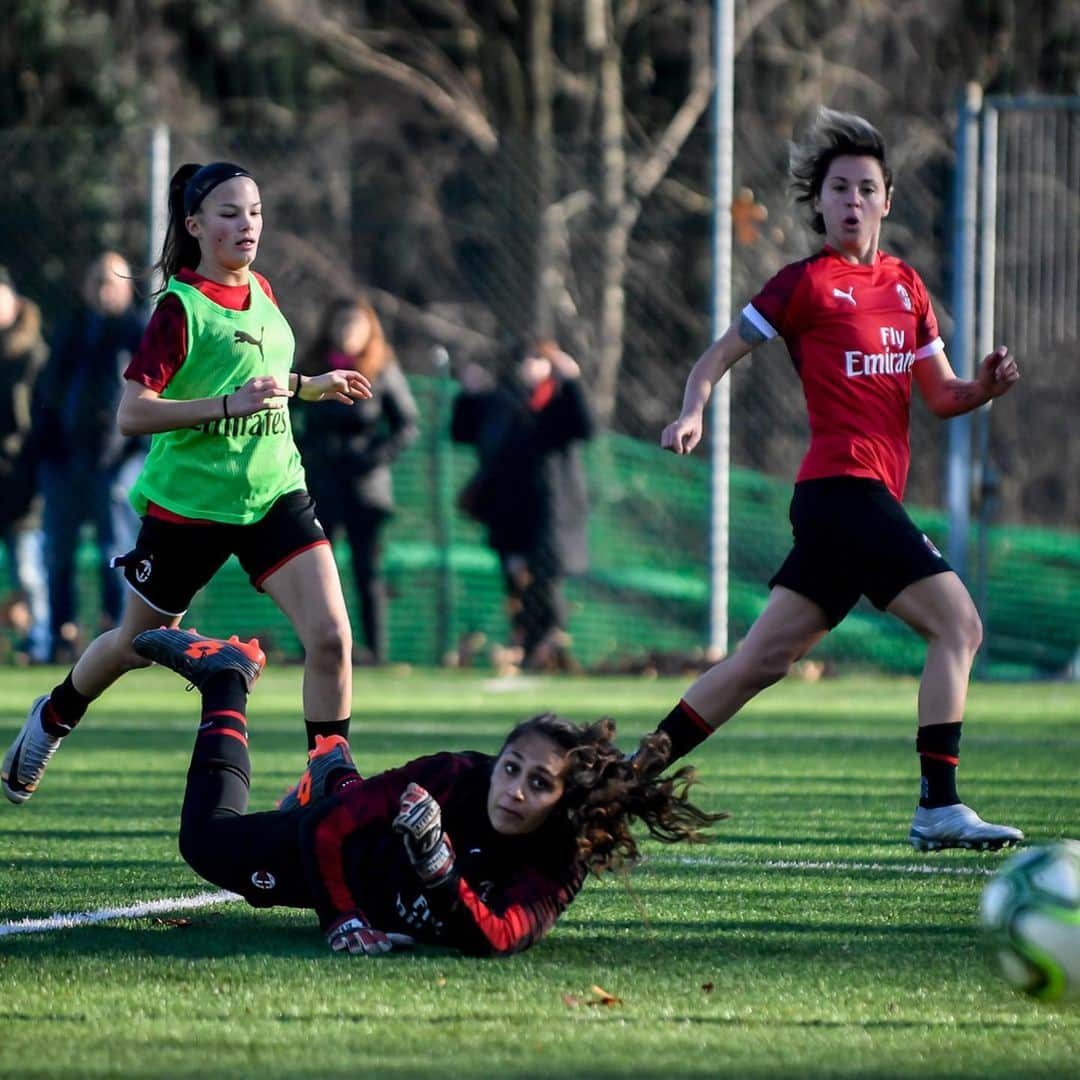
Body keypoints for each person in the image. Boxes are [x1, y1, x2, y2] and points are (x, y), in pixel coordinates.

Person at [655, 108, 1023, 853]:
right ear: (817, 204)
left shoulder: (907, 289)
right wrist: (691, 410)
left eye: (866, 188)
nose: (852, 200)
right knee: (960, 626)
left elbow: (942, 396)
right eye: (838, 189)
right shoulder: (804, 287)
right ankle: (938, 807)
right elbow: (717, 355)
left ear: (887, 201)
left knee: (760, 660)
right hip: (841, 489)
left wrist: (981, 387)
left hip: (853, 501)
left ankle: (632, 772)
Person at [1, 161, 372, 806]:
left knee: (333, 639)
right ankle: (53, 716)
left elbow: (263, 378)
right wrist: (228, 405)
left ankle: (330, 783)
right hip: (187, 509)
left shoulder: (263, 289)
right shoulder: (181, 307)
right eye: (229, 213)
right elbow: (134, 412)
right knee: (133, 646)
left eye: (254, 211)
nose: (247, 224)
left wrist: (309, 386)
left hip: (273, 494)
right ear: (196, 225)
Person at [129, 625, 725, 957]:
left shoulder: (560, 860)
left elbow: (501, 937)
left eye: (539, 783)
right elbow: (326, 829)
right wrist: (343, 920)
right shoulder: (456, 776)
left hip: (388, 873)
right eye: (512, 768)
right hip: (345, 855)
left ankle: (334, 769)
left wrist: (439, 866)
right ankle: (228, 678)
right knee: (204, 843)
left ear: (563, 800)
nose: (513, 790)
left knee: (348, 806)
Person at [451, 338, 593, 672]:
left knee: (547, 578)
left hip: (553, 508)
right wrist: (468, 395)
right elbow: (461, 432)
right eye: (523, 359)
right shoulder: (499, 401)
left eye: (536, 359)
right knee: (514, 576)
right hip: (509, 506)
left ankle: (548, 643)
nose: (527, 366)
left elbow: (586, 426)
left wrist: (572, 381)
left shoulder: (558, 398)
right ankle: (527, 643)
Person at [32, 252, 146, 660]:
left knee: (113, 549)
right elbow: (47, 394)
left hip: (115, 462)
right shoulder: (70, 331)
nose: (103, 289)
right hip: (66, 461)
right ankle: (64, 636)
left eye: (111, 281)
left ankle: (117, 634)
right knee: (57, 552)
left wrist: (129, 454)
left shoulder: (138, 331)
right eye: (96, 280)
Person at [294, 296, 419, 665]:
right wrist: (305, 452)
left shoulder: (382, 370)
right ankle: (316, 648)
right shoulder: (313, 368)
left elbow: (406, 425)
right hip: (322, 483)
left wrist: (372, 457)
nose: (348, 332)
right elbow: (285, 411)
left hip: (366, 487)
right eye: (341, 323)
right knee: (317, 568)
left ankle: (375, 652)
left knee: (367, 569)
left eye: (356, 325)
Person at [0, 266, 49, 663]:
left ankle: (41, 643)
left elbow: (38, 422)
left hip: (24, 481)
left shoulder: (34, 354)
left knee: (29, 571)